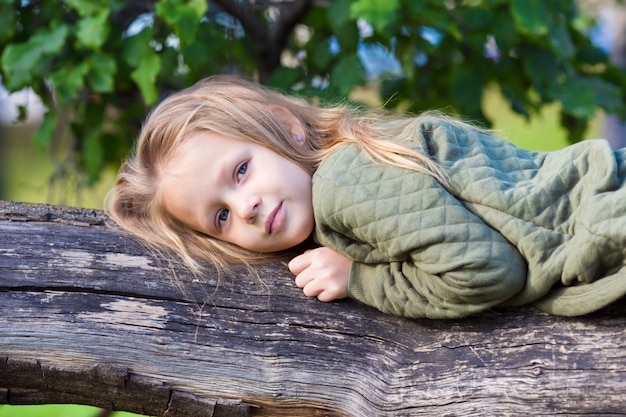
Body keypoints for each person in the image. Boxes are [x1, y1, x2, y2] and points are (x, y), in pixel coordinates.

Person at [106, 75, 626, 320]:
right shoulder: (354, 160)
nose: (247, 207)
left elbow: (488, 271)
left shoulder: (343, 184)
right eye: (220, 215)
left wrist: (359, 278)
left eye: (241, 170)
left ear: (288, 128)